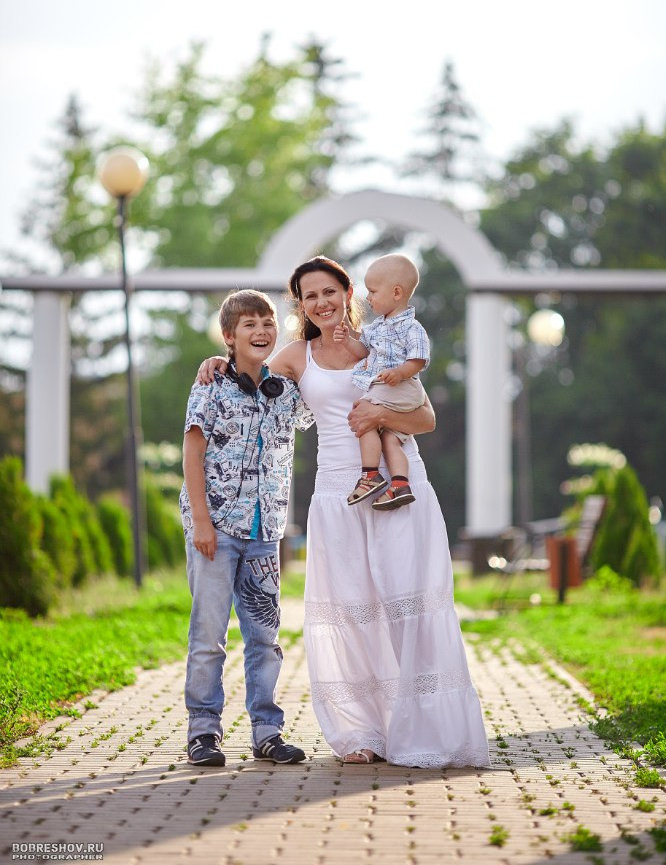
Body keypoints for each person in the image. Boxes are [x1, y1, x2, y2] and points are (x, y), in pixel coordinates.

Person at [197, 256, 490, 769]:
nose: (322, 303)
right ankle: (361, 731)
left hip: (401, 488)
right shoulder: (295, 356)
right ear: (301, 306)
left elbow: (425, 416)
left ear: (348, 292)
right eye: (310, 296)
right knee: (353, 612)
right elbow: (248, 369)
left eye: (329, 291)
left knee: (408, 608)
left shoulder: (382, 342)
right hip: (338, 493)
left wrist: (380, 413)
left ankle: (424, 731)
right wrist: (215, 362)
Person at [181, 289, 313, 767]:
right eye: (249, 324)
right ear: (229, 336)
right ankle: (203, 733)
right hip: (215, 528)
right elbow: (192, 454)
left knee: (265, 637)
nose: (261, 331)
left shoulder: (286, 390)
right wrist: (201, 520)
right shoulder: (210, 385)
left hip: (265, 530)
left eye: (268, 323)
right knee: (209, 635)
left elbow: (325, 395)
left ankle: (267, 731)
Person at [332, 253, 430, 511]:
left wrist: (400, 372)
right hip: (392, 389)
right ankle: (400, 484)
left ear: (397, 293)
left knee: (364, 418)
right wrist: (346, 341)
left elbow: (419, 359)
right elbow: (362, 351)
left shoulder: (411, 327)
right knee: (391, 438)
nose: (368, 298)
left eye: (373, 291)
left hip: (401, 386)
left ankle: (370, 475)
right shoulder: (376, 328)